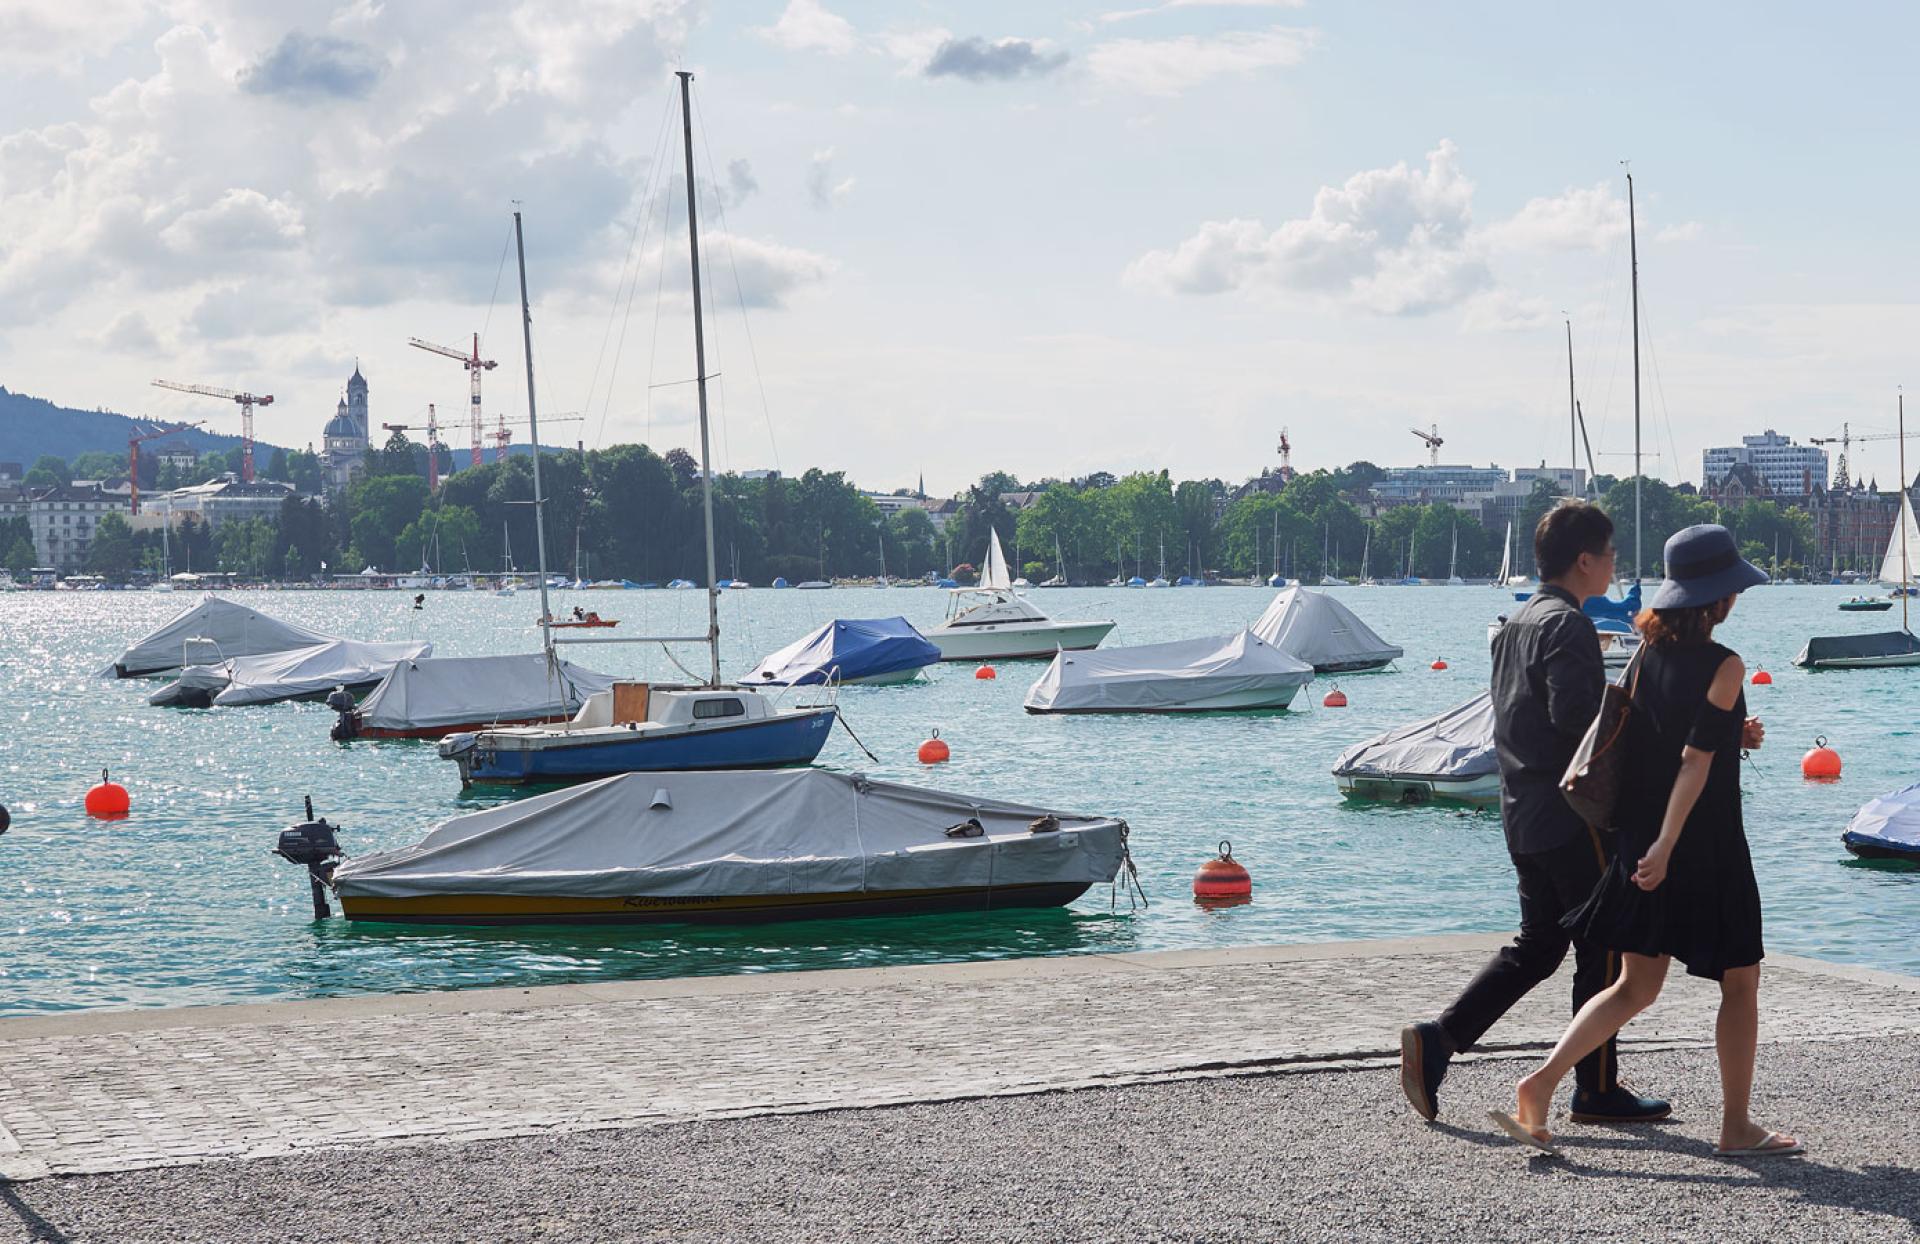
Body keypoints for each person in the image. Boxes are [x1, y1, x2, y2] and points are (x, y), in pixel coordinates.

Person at [1490, 524, 1795, 1157]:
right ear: (1720, 598)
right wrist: (1668, 844)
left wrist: (1731, 736)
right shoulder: (1726, 664)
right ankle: (1736, 1127)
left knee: (1634, 986)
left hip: (1638, 841)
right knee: (1740, 985)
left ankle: (1539, 1084)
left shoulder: (1646, 653)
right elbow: (1692, 762)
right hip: (1701, 846)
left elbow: (1661, 739)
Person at [1400, 500, 1669, 1125]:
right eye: (1609, 556)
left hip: (1520, 810)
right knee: (1602, 948)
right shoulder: (1568, 626)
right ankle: (1596, 1089)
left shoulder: (1516, 622)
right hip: (1571, 815)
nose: (1613, 566)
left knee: (1540, 945)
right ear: (1584, 560)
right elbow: (1579, 726)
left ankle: (1439, 1041)